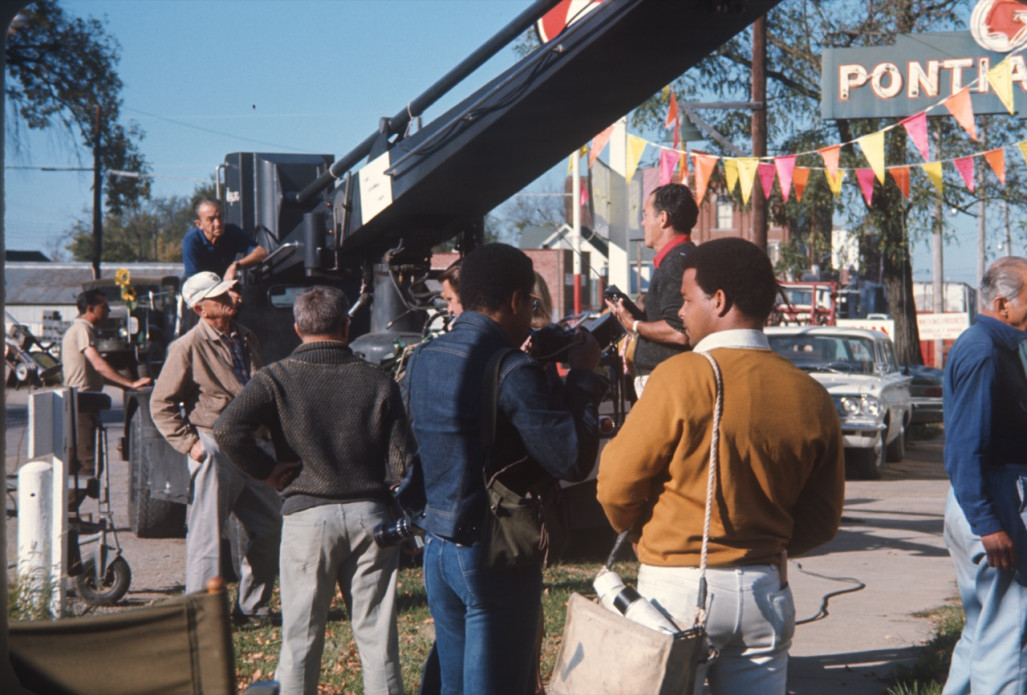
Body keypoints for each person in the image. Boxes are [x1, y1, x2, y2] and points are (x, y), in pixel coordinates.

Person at [597, 238, 844, 695]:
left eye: (687, 300)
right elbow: (822, 521)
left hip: (674, 587)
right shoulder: (810, 395)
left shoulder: (679, 377)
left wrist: (637, 534)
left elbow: (615, 484)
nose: (682, 314)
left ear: (720, 301)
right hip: (765, 591)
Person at [404, 242, 607, 694]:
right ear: (515, 300)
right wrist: (582, 377)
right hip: (492, 549)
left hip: (438, 546)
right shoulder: (513, 370)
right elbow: (570, 457)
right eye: (530, 304)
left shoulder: (423, 358)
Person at [215, 286, 411, 695]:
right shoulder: (378, 381)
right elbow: (403, 462)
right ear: (346, 326)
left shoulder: (276, 378)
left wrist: (266, 471)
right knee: (378, 641)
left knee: (301, 639)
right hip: (371, 518)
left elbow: (226, 429)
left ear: (297, 328)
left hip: (307, 518)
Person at [149, 271, 281, 619]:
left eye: (230, 291)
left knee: (271, 526)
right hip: (213, 445)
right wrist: (191, 445)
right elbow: (160, 404)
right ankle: (202, 617)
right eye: (220, 295)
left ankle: (253, 607)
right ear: (200, 308)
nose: (231, 296)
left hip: (250, 446)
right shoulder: (186, 346)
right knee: (207, 537)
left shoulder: (246, 336)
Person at [942, 256, 1027, 695]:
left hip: (982, 498)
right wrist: (988, 521)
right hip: (993, 500)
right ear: (1002, 303)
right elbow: (964, 444)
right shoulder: (985, 350)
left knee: (983, 629)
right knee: (1008, 638)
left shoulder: (991, 345)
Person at [605, 183, 697, 395]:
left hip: (665, 381)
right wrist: (632, 316)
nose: (643, 223)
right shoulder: (681, 259)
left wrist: (634, 324)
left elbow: (679, 331)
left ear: (663, 218)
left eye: (646, 215)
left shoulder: (675, 265)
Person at [61, 289, 152, 475]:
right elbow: (99, 365)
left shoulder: (84, 330)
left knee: (83, 465)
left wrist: (127, 384)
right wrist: (130, 384)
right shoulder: (82, 329)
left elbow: (96, 374)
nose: (108, 311)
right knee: (83, 467)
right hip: (81, 404)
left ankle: (71, 502)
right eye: (104, 306)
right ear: (89, 308)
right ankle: (69, 504)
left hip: (84, 403)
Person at [182, 198, 268, 280]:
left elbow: (261, 253)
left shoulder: (232, 231)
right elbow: (193, 281)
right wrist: (226, 293)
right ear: (199, 224)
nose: (218, 224)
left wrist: (235, 265)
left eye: (220, 217)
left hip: (225, 284)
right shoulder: (191, 241)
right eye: (211, 219)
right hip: (201, 289)